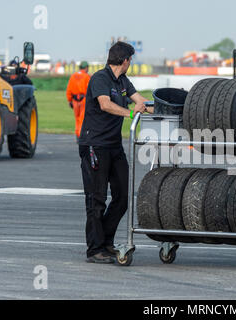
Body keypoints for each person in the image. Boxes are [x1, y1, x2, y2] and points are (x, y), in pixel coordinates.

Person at [78, 41, 153, 264]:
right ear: (125, 60)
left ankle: (106, 242)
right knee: (96, 198)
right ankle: (94, 250)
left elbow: (141, 102)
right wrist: (130, 114)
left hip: (113, 146)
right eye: (131, 60)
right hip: (95, 145)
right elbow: (105, 104)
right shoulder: (100, 79)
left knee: (123, 196)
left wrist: (166, 107)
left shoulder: (122, 81)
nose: (131, 63)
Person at [66, 61, 91, 139]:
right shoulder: (87, 76)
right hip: (83, 99)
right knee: (82, 118)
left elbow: (69, 89)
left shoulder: (73, 76)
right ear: (86, 68)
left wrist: (69, 100)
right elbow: (90, 89)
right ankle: (81, 136)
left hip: (74, 100)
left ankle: (78, 134)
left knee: (77, 118)